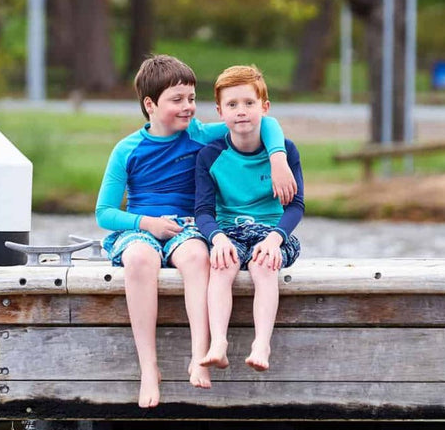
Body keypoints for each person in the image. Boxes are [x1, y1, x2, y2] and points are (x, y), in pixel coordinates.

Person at [95, 55, 297, 408]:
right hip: (139, 228)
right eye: (177, 100)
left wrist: (278, 157)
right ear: (150, 104)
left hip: (187, 229)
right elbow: (104, 213)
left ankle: (199, 355)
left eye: (191, 98)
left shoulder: (199, 134)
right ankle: (149, 368)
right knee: (141, 258)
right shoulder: (127, 149)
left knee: (198, 255)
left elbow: (265, 121)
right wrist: (146, 223)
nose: (189, 107)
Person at [195, 64, 304, 372]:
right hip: (228, 232)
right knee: (220, 266)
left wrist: (275, 238)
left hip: (273, 233)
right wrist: (216, 238)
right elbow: (202, 210)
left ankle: (261, 345)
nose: (241, 111)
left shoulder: (285, 152)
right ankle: (218, 343)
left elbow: (296, 206)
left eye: (249, 103)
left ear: (264, 108)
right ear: (220, 111)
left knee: (264, 266)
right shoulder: (209, 155)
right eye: (232, 105)